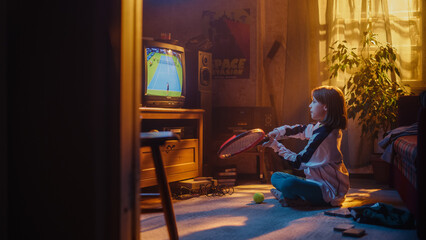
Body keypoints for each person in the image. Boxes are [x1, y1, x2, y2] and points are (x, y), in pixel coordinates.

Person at [263, 86, 350, 207]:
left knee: (290, 184)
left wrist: (274, 145)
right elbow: (302, 130)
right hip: (314, 182)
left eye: (314, 102)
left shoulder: (324, 136)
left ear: (326, 107)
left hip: (328, 192)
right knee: (276, 176)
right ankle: (293, 197)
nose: (310, 105)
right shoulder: (321, 127)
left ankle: (289, 197)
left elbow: (299, 162)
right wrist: (277, 133)